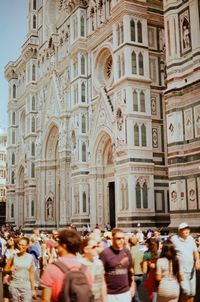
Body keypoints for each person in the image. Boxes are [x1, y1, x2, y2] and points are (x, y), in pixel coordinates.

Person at [40, 228, 92, 302]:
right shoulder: (85, 268)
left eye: (58, 242)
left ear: (64, 246)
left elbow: (45, 299)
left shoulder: (52, 268)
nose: (56, 245)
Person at [99, 228, 135, 302]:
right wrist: (103, 296)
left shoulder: (127, 252)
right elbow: (101, 276)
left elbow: (130, 270)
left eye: (123, 238)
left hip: (125, 293)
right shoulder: (105, 253)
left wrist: (132, 286)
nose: (121, 241)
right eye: (118, 238)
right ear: (112, 239)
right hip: (110, 294)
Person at [171, 223, 199, 302]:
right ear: (179, 231)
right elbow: (168, 250)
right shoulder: (174, 239)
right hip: (181, 271)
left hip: (191, 271)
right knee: (185, 292)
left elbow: (195, 251)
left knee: (192, 293)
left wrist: (197, 260)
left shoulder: (190, 238)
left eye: (188, 229)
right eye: (184, 229)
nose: (187, 230)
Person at [4, 236, 36, 302]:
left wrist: (33, 289)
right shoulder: (13, 256)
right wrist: (10, 270)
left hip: (26, 287)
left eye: (23, 245)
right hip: (14, 287)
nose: (20, 246)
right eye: (19, 244)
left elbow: (31, 274)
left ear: (27, 246)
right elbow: (4, 270)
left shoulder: (30, 257)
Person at [79, 237, 107, 302]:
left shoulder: (99, 263)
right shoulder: (79, 264)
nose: (96, 249)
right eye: (94, 247)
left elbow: (102, 282)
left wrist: (104, 299)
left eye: (97, 246)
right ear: (86, 250)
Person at [128, 237, 146, 302]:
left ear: (130, 243)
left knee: (135, 296)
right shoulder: (141, 251)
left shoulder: (130, 252)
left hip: (133, 275)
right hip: (140, 274)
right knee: (136, 292)